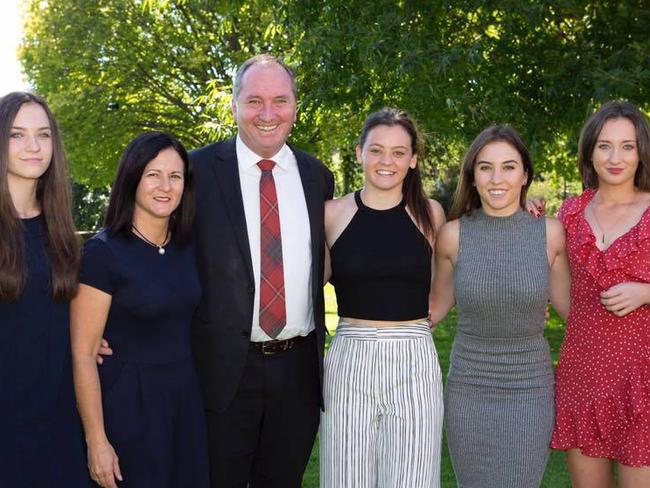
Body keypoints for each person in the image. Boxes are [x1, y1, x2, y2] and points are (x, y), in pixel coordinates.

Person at [189, 54, 334, 487]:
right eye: (254, 101)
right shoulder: (194, 172)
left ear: (295, 106)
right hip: (222, 373)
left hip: (297, 372)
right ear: (233, 106)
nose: (268, 114)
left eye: (280, 100)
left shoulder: (316, 177)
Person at [428, 125, 571, 487]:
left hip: (530, 389)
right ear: (472, 176)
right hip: (469, 387)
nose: (497, 178)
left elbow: (574, 311)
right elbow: (435, 308)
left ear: (525, 175)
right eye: (485, 167)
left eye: (509, 167)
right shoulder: (453, 235)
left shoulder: (550, 234)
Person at [71, 132, 209, 488]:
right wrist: (97, 440)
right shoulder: (103, 253)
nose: (165, 186)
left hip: (184, 403)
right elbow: (84, 353)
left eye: (175, 176)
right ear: (132, 178)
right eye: (153, 174)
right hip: (129, 407)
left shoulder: (187, 247)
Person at [320, 108, 446, 487]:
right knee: (345, 476)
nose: (386, 161)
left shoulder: (431, 215)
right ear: (359, 153)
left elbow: (451, 276)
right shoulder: (331, 214)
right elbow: (308, 279)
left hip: (414, 358)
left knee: (414, 477)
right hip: (350, 356)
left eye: (398, 152)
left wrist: (430, 318)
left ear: (413, 160)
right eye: (376, 150)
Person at [550, 101, 650, 487]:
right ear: (589, 150)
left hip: (640, 379)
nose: (616, 157)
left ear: (642, 150)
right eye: (605, 145)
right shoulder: (571, 213)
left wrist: (646, 292)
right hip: (584, 375)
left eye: (628, 145)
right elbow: (560, 290)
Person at [0, 91, 88, 486]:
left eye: (43, 134)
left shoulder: (63, 234)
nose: (33, 146)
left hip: (59, 425)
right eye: (17, 135)